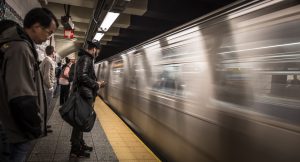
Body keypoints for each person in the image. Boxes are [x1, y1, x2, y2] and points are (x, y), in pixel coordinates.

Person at [0, 8, 58, 162]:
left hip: (10, 123)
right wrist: (35, 127)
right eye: (48, 32)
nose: (48, 38)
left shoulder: (18, 46)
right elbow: (21, 96)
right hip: (14, 127)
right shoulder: (21, 49)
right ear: (36, 27)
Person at [70, 41, 104, 158]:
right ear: (94, 49)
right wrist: (97, 84)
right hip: (83, 95)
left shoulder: (85, 58)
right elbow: (82, 76)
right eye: (98, 51)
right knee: (79, 122)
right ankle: (75, 149)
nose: (98, 53)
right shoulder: (86, 58)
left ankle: (80, 144)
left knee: (81, 122)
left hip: (84, 94)